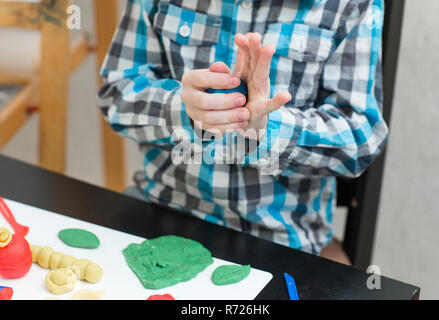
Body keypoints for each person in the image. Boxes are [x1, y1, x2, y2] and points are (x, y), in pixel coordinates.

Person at [98, 0, 388, 265]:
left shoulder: (351, 5)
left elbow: (360, 139)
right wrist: (185, 112)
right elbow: (116, 92)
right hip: (160, 211)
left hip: (280, 239)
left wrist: (268, 132)